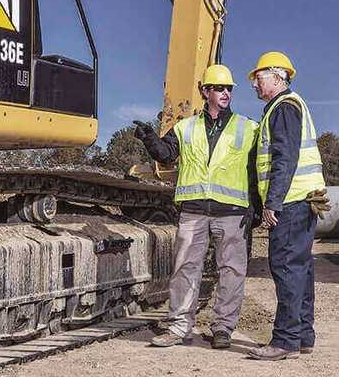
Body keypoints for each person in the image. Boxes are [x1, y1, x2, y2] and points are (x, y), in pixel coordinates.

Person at [133, 64, 257, 349]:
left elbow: (257, 170)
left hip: (233, 212)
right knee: (185, 268)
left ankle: (223, 328)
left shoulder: (248, 127)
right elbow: (166, 155)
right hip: (194, 210)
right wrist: (150, 138)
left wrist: (256, 207)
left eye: (229, 89)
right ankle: (179, 327)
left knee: (232, 271)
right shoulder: (185, 127)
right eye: (219, 88)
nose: (225, 93)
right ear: (205, 92)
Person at [246, 52, 325, 361]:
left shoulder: (284, 107)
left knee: (287, 268)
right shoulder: (290, 106)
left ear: (278, 77)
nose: (254, 84)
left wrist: (272, 202)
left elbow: (285, 158)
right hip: (302, 200)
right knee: (300, 269)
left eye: (258, 77)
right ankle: (302, 336)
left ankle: (285, 340)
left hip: (291, 202)